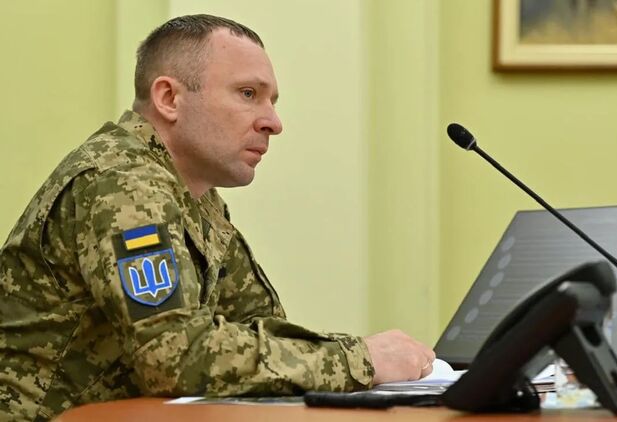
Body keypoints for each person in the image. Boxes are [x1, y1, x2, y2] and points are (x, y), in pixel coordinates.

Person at [0, 14, 434, 421]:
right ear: (169, 98)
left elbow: (256, 327)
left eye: (272, 101)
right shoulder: (122, 183)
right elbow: (173, 357)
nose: (273, 122)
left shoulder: (193, 194)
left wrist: (363, 357)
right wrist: (360, 359)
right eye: (248, 94)